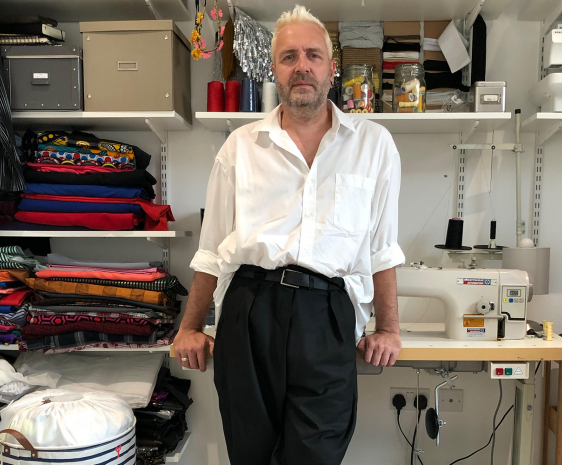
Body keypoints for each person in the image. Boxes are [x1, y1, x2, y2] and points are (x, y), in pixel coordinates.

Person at [174, 5, 405, 464]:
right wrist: (190, 327)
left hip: (328, 313)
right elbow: (211, 250)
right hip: (249, 307)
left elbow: (382, 247)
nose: (302, 65)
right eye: (289, 56)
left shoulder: (373, 144)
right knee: (251, 454)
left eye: (313, 55)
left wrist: (390, 328)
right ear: (274, 70)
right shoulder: (240, 146)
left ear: (331, 68)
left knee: (315, 454)